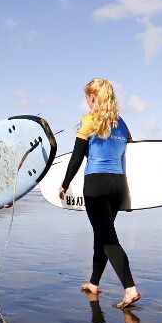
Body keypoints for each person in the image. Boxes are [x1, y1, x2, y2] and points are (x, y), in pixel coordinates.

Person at [59, 78, 140, 309]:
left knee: (107, 238)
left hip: (96, 184)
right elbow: (132, 156)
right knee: (101, 235)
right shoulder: (122, 124)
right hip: (117, 185)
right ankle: (94, 282)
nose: (86, 102)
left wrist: (64, 183)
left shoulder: (88, 122)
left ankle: (130, 288)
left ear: (93, 97)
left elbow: (76, 157)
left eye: (87, 98)